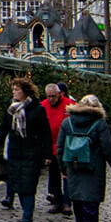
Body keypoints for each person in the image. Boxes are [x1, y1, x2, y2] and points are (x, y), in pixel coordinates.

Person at [0, 79, 53, 222]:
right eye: (13, 89)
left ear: (25, 92)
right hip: (15, 152)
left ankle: (27, 218)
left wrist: (47, 154)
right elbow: (3, 129)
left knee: (29, 186)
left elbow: (45, 134)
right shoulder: (11, 110)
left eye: (17, 89)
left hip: (32, 152)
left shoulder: (37, 110)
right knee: (18, 186)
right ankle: (26, 215)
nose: (14, 92)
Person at [57, 94, 111, 222]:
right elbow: (107, 149)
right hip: (93, 169)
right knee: (91, 206)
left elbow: (60, 148)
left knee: (77, 203)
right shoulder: (99, 124)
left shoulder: (67, 122)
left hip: (74, 168)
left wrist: (63, 168)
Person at [38, 83, 74, 215]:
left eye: (54, 96)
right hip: (50, 145)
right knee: (53, 176)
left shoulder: (69, 105)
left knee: (66, 175)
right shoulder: (43, 105)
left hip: (66, 145)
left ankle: (67, 202)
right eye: (49, 96)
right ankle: (57, 201)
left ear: (60, 94)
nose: (51, 99)